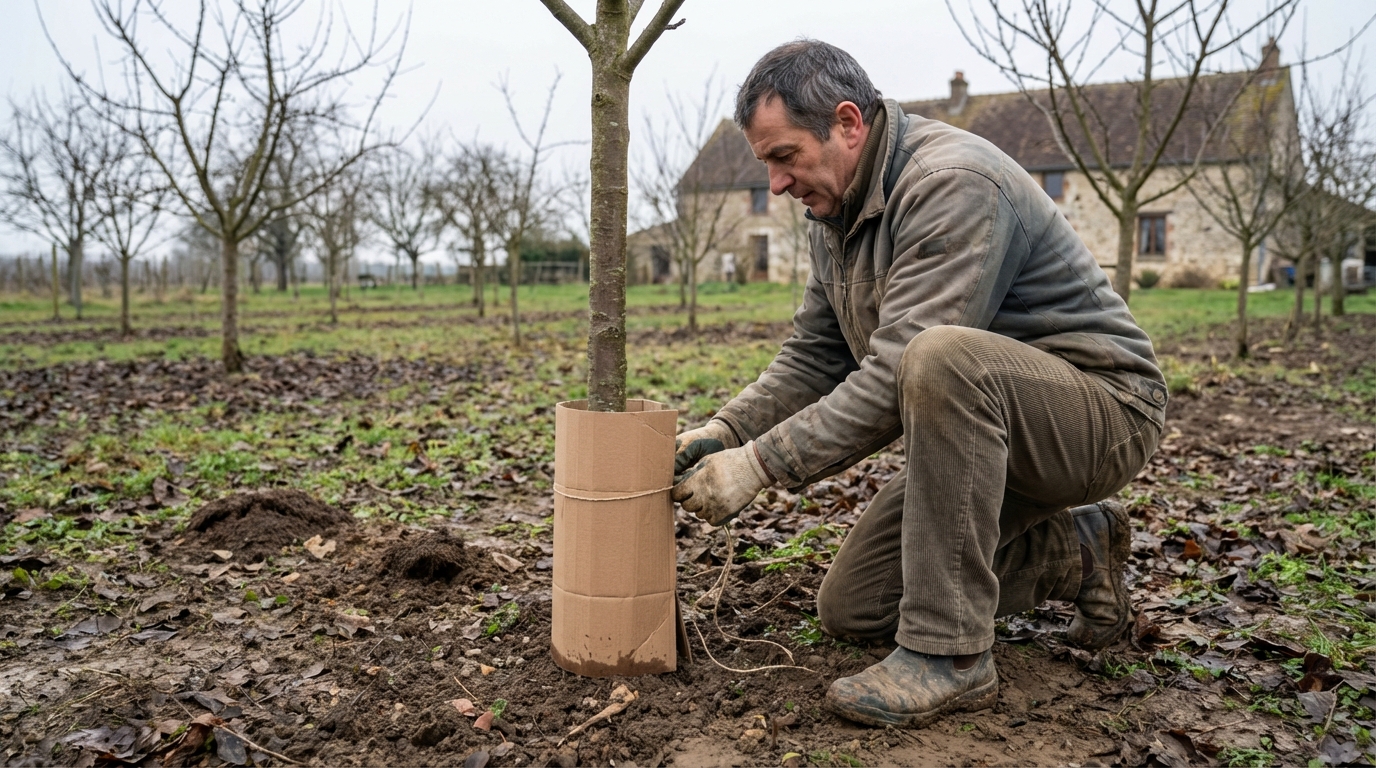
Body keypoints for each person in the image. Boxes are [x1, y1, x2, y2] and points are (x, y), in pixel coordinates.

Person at [670, 40, 1165, 728]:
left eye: (784, 157)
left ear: (847, 124)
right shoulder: (834, 215)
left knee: (936, 357)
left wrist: (759, 465)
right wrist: (725, 431)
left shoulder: (950, 182)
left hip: (1100, 413)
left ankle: (951, 657)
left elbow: (908, 363)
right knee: (856, 606)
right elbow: (817, 354)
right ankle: (1076, 554)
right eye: (766, 166)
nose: (777, 184)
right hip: (983, 430)